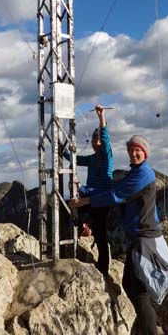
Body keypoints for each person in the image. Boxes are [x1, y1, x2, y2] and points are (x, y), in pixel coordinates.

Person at [70, 135, 168, 335]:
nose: (133, 153)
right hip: (139, 239)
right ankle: (153, 328)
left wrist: (83, 202)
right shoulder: (136, 173)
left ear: (145, 153)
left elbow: (115, 195)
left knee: (137, 289)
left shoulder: (144, 174)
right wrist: (84, 191)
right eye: (131, 150)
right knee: (131, 285)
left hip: (144, 240)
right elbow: (114, 188)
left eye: (137, 150)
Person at [64, 104, 113, 276]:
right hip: (90, 194)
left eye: (98, 140)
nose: (96, 143)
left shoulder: (107, 156)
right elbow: (75, 160)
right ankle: (85, 227)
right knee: (68, 207)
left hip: (102, 198)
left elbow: (106, 140)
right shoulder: (92, 159)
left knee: (101, 234)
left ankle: (104, 268)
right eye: (94, 140)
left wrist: (101, 118)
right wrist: (61, 149)